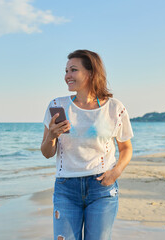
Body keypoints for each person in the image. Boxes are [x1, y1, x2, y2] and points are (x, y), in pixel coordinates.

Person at [41, 49, 134, 240]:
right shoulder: (57, 105)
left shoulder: (114, 108)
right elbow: (47, 152)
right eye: (66, 71)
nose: (67, 76)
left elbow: (126, 149)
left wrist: (116, 172)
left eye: (73, 70)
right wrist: (51, 135)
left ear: (91, 73)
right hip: (66, 187)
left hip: (102, 187)